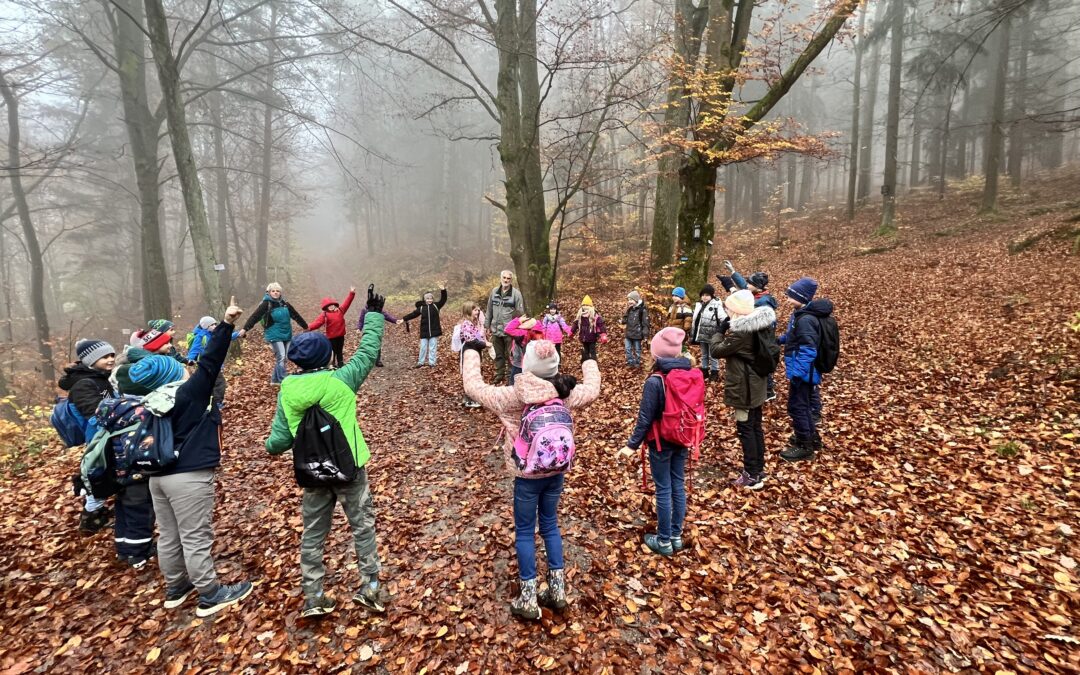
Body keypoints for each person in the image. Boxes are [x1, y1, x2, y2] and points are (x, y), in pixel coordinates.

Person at [266, 287, 389, 619]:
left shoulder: (288, 390)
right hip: (350, 469)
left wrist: (289, 438)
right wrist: (374, 315)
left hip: (312, 473)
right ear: (324, 356)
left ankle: (314, 596)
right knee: (362, 526)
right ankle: (371, 589)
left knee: (314, 533)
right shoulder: (341, 380)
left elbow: (275, 443)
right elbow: (366, 352)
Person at [461, 338, 600, 620]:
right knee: (550, 525)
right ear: (555, 366)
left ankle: (528, 597)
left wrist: (472, 352)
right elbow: (593, 389)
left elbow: (473, 388)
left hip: (526, 475)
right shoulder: (566, 393)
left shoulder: (514, 396)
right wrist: (589, 359)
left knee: (525, 531)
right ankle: (557, 590)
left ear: (527, 365)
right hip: (557, 472)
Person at [142, 298, 253, 617]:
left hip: (157, 476)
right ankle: (209, 593)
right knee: (194, 536)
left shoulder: (148, 399)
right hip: (188, 475)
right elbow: (211, 361)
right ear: (170, 371)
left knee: (169, 534)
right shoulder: (187, 393)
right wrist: (227, 322)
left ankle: (176, 587)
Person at [619, 327, 693, 557]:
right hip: (682, 437)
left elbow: (645, 418)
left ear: (656, 354)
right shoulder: (688, 373)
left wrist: (631, 445)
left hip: (661, 442)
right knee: (677, 485)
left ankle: (663, 541)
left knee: (663, 488)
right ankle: (675, 537)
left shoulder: (655, 381)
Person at [709, 290, 776, 490]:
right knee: (755, 426)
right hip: (756, 384)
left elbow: (716, 350)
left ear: (736, 310)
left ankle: (751, 474)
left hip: (744, 387)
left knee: (746, 429)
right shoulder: (760, 325)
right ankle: (758, 469)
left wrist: (719, 331)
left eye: (728, 308)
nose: (726, 312)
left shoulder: (741, 333)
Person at [58, 339, 116, 533]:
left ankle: (98, 511)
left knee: (106, 473)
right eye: (104, 357)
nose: (110, 360)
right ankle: (91, 518)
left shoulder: (99, 377)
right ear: (91, 360)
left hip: (108, 433)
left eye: (112, 355)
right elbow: (95, 413)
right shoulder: (84, 384)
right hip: (98, 437)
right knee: (98, 475)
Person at [778, 277, 834, 462]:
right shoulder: (800, 314)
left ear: (801, 297)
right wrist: (780, 340)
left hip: (805, 372)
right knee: (803, 406)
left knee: (797, 407)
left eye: (791, 296)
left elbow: (809, 349)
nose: (787, 299)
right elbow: (794, 336)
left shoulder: (806, 319)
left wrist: (797, 373)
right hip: (803, 370)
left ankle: (804, 446)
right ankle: (812, 438)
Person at [238, 282, 309, 385]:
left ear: (280, 292)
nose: (275, 293)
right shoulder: (266, 304)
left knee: (284, 357)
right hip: (273, 334)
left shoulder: (284, 303)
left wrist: (305, 326)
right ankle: (282, 380)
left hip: (286, 333)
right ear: (269, 292)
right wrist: (245, 329)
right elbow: (255, 317)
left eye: (278, 291)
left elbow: (295, 315)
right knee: (281, 356)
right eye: (273, 291)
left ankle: (275, 380)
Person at [186, 316, 239, 408]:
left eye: (215, 324)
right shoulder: (201, 336)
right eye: (212, 325)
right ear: (206, 327)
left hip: (215, 363)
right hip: (207, 364)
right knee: (220, 383)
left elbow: (226, 337)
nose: (215, 326)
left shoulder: (215, 334)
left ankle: (210, 402)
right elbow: (195, 349)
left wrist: (238, 334)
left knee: (212, 383)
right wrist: (190, 359)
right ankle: (217, 403)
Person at [485, 270, 526, 385]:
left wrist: (518, 328)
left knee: (510, 354)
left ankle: (510, 376)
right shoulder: (494, 292)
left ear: (511, 280)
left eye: (508, 278)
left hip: (509, 331)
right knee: (498, 354)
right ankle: (499, 374)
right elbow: (489, 309)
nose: (506, 280)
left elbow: (520, 313)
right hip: (495, 329)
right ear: (500, 278)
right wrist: (487, 325)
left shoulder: (516, 294)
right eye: (504, 277)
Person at [307, 287, 356, 368]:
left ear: (334, 304)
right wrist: (308, 327)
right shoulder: (325, 315)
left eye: (332, 305)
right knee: (333, 352)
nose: (331, 307)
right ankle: (332, 365)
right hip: (331, 338)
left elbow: (347, 303)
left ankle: (340, 364)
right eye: (329, 306)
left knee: (339, 351)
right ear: (326, 308)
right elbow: (317, 323)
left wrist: (351, 293)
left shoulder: (340, 311)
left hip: (340, 336)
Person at [402, 283, 447, 368]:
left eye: (431, 298)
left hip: (434, 331)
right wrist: (404, 318)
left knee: (432, 348)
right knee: (423, 347)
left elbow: (443, 299)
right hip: (424, 331)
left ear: (433, 299)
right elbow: (413, 314)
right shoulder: (422, 308)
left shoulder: (436, 306)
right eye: (427, 298)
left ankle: (432, 363)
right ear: (424, 299)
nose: (429, 300)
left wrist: (443, 290)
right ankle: (420, 362)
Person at [454, 302, 488, 408]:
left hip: (475, 351)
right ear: (469, 311)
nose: (477, 312)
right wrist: (485, 344)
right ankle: (469, 399)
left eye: (478, 310)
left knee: (475, 373)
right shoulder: (466, 324)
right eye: (475, 310)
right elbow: (470, 340)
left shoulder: (473, 323)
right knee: (470, 374)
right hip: (469, 352)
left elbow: (477, 336)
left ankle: (471, 397)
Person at [690, 284, 726, 382]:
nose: (704, 297)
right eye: (703, 295)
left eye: (707, 295)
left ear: (711, 296)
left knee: (713, 355)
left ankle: (714, 372)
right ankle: (704, 370)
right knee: (704, 354)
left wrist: (721, 331)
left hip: (712, 335)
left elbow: (723, 318)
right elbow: (695, 320)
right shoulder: (699, 305)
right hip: (701, 334)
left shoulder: (716, 305)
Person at [504, 314, 545, 384]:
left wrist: (518, 321)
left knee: (514, 382)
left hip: (519, 363)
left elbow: (507, 329)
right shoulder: (539, 332)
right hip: (532, 363)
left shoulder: (523, 332)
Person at [569, 296, 607, 363]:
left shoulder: (594, 315)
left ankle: (593, 362)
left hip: (592, 336)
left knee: (592, 350)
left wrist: (603, 334)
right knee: (585, 351)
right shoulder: (580, 315)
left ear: (590, 306)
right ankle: (586, 363)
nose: (585, 307)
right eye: (583, 305)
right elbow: (576, 323)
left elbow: (601, 324)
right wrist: (572, 331)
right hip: (583, 336)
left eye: (587, 305)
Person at [621, 290, 650, 368]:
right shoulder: (629, 309)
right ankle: (630, 362)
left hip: (637, 334)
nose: (629, 301)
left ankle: (637, 362)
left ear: (636, 300)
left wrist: (645, 335)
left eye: (631, 300)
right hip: (629, 333)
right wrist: (625, 313)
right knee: (627, 349)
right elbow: (624, 321)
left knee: (637, 350)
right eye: (628, 300)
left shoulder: (642, 310)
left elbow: (645, 323)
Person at [665, 288, 694, 353]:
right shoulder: (672, 306)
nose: (674, 297)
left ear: (681, 297)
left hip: (680, 333)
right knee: (672, 350)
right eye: (673, 296)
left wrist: (685, 330)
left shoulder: (685, 307)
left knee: (681, 349)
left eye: (676, 296)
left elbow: (688, 320)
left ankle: (683, 361)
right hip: (671, 332)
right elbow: (668, 319)